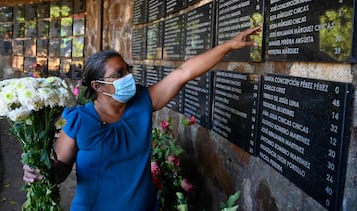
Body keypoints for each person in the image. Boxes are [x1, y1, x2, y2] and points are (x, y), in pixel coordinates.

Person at [23, 27, 261, 210]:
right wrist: (43, 171)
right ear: (97, 86)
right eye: (119, 74)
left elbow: (183, 72)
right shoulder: (78, 119)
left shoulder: (143, 102)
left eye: (128, 70)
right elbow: (62, 168)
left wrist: (228, 46)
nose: (128, 77)